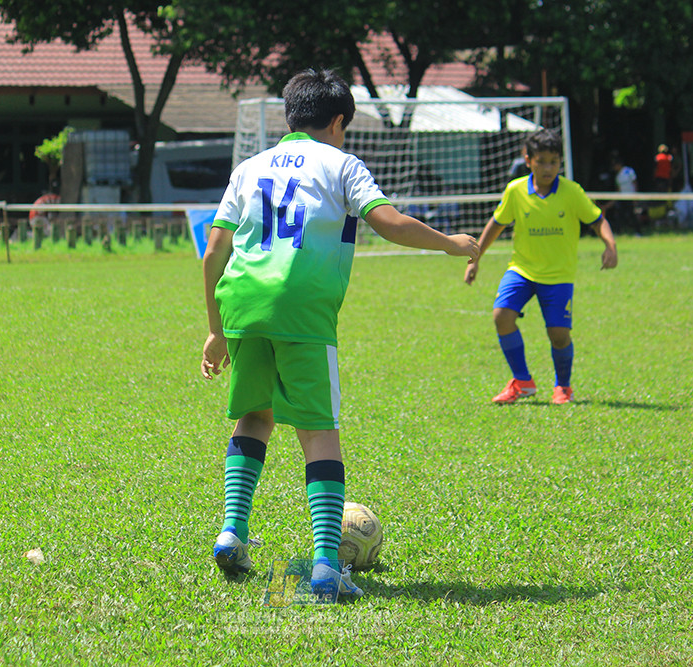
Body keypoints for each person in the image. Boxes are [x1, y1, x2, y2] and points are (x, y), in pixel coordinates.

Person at [200, 68, 479, 601]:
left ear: (289, 117)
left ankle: (232, 532)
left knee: (255, 416)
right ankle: (328, 567)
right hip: (302, 310)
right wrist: (448, 242)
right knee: (318, 430)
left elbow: (214, 251)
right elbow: (389, 222)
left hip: (241, 305)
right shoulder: (342, 163)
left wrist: (215, 331)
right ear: (336, 122)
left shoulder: (249, 166)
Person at [464, 129, 618, 405]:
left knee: (558, 335)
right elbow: (496, 225)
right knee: (501, 316)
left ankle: (563, 387)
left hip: (558, 276)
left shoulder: (572, 192)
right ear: (528, 160)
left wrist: (610, 245)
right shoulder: (516, 190)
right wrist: (476, 259)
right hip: (521, 270)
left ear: (561, 163)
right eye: (542, 161)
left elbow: (597, 220)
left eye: (554, 162)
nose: (548, 168)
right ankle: (522, 381)